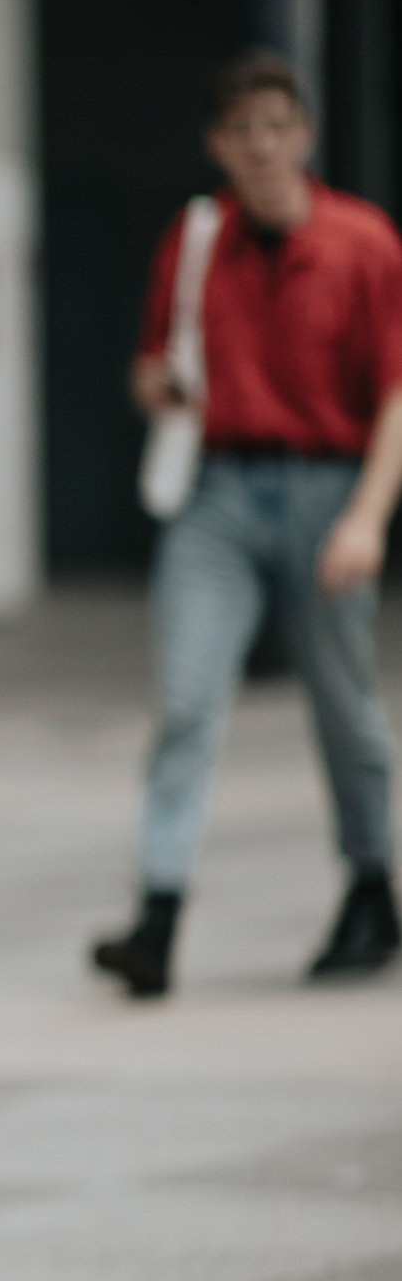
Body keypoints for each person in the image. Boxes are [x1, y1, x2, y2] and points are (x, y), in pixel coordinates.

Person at [94, 49, 402, 999]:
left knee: (342, 707)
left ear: (304, 135)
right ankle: (157, 911)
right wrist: (162, 388)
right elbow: (150, 376)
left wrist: (365, 520)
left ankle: (369, 888)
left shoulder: (362, 243)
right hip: (217, 495)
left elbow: (395, 393)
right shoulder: (193, 240)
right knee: (185, 701)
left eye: (276, 126)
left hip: (327, 487)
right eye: (240, 130)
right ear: (215, 144)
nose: (260, 146)